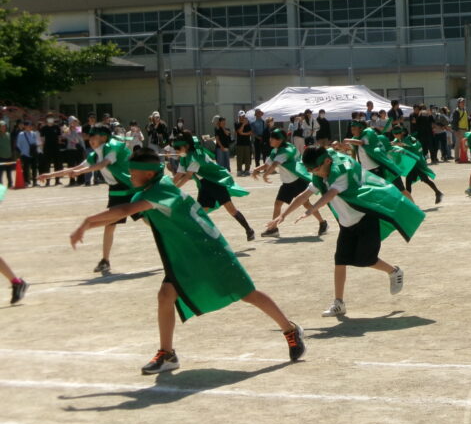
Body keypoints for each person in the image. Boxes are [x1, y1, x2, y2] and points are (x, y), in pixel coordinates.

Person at [69, 146, 305, 374]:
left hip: (208, 251)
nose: (129, 176)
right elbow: (123, 213)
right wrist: (88, 226)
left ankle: (290, 329)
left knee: (247, 293)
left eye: (133, 172)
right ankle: (167, 354)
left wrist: (87, 222)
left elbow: (123, 211)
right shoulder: (154, 188)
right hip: (187, 255)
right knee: (165, 295)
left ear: (148, 174)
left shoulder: (159, 191)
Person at [266, 145, 424, 318]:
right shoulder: (320, 173)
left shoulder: (340, 171)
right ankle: (339, 303)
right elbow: (304, 195)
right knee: (340, 261)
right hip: (346, 223)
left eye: (315, 169)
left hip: (365, 218)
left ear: (327, 161)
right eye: (309, 170)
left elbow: (331, 194)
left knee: (365, 259)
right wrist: (282, 216)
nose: (313, 173)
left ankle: (394, 271)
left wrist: (311, 210)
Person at [40, 123, 136, 273]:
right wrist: (49, 175)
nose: (90, 139)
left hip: (130, 188)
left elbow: (102, 165)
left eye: (93, 136)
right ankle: (105, 260)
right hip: (116, 191)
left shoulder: (112, 148)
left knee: (149, 220)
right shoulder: (95, 155)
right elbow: (75, 169)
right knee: (109, 224)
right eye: (89, 137)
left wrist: (81, 172)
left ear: (104, 137)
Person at [172, 130, 256, 241]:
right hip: (204, 185)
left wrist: (173, 189)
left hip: (216, 183)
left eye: (178, 148)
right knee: (200, 212)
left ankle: (249, 230)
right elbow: (178, 175)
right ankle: (202, 237)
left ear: (186, 146)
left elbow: (187, 176)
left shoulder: (196, 156)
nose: (176, 151)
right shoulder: (185, 157)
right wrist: (167, 187)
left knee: (231, 210)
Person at [251, 128, 328, 237]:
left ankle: (323, 223)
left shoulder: (286, 150)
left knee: (306, 204)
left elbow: (275, 164)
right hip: (288, 182)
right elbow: (267, 164)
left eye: (273, 138)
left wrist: (265, 174)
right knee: (278, 204)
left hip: (298, 181)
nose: (270, 140)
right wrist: (257, 169)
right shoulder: (276, 150)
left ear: (280, 140)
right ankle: (273, 229)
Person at [391, 124, 443, 204]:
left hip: (417, 163)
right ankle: (409, 203)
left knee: (425, 179)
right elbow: (393, 143)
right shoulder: (398, 139)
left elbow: (411, 145)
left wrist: (399, 144)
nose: (395, 135)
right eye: (394, 134)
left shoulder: (409, 138)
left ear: (401, 133)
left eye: (396, 134)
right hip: (411, 164)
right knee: (408, 182)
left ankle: (437, 192)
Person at [38, 113, 64, 185]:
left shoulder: (57, 127)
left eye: (52, 117)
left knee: (57, 164)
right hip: (47, 148)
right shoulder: (44, 128)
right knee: (47, 165)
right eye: (49, 118)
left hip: (56, 148)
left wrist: (59, 142)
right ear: (46, 119)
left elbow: (59, 137)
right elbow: (42, 139)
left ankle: (57, 180)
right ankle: (48, 181)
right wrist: (43, 148)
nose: (50, 119)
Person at [15, 120, 39, 186]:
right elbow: (18, 144)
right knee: (25, 168)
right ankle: (26, 181)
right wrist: (23, 151)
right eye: (28, 125)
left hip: (33, 153)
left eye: (30, 125)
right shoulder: (21, 134)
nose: (30, 127)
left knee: (34, 168)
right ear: (25, 126)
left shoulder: (33, 133)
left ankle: (35, 181)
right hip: (25, 154)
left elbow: (36, 142)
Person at [0, 122, 15, 187]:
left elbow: (11, 144)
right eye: (2, 126)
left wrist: (12, 153)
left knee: (9, 171)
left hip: (9, 156)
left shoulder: (8, 135)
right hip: (1, 156)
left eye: (4, 126)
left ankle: (10, 184)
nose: (3, 127)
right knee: (0, 172)